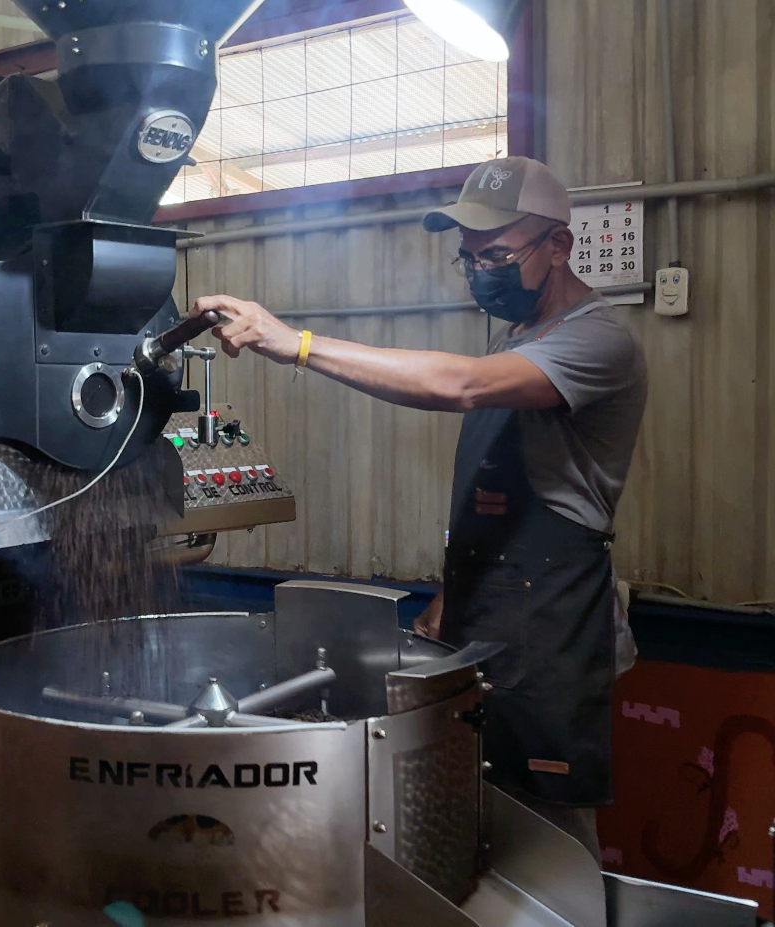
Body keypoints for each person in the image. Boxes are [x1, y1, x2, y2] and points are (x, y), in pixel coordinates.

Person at [188, 156, 647, 860]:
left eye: (496, 254)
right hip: (490, 610)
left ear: (560, 244)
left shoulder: (598, 339)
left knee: (549, 845)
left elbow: (460, 385)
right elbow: (507, 493)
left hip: (552, 625)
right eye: (468, 257)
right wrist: (453, 590)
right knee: (478, 828)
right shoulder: (517, 334)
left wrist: (297, 343)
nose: (480, 271)